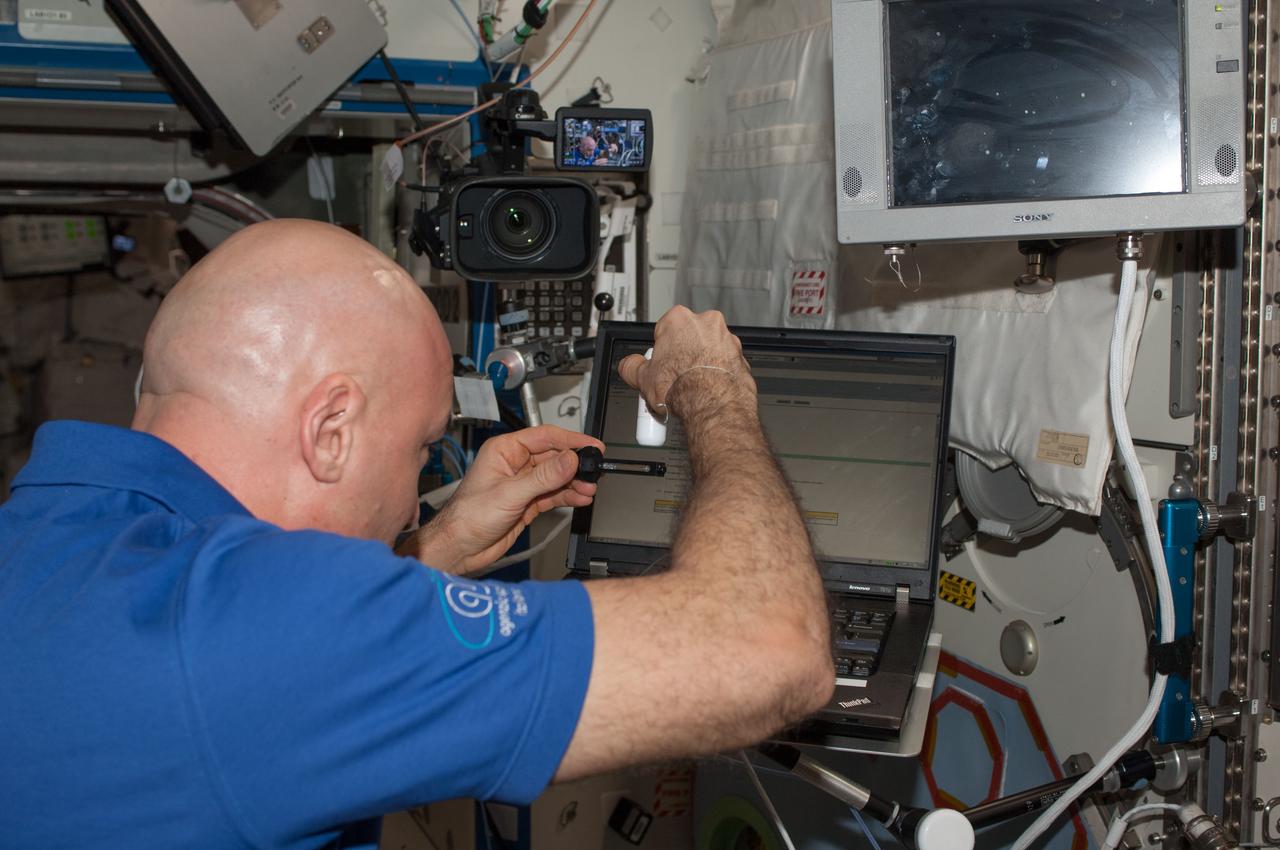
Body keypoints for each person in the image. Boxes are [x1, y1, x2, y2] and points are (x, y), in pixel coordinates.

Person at [0, 219, 832, 848]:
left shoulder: (50, 528)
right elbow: (771, 652)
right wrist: (712, 390)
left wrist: (433, 556)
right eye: (420, 452)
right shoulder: (265, 630)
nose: (411, 504)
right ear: (330, 428)